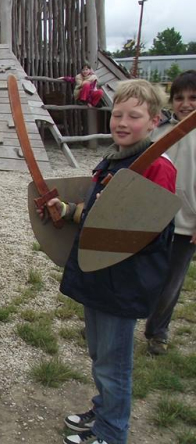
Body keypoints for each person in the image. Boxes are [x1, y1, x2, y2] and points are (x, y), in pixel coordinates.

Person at [40, 80, 176, 444]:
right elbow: (95, 213)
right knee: (100, 353)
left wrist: (109, 215)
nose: (122, 122)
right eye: (117, 114)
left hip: (125, 279)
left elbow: (149, 230)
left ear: (154, 121)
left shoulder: (157, 167)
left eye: (134, 116)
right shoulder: (115, 157)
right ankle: (104, 411)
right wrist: (68, 210)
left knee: (114, 363)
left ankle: (112, 433)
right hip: (100, 275)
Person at [144, 70, 196, 355]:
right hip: (152, 220)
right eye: (179, 98)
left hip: (185, 224)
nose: (185, 104)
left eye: (193, 98)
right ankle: (118, 320)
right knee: (137, 274)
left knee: (171, 284)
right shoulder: (160, 131)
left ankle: (157, 331)